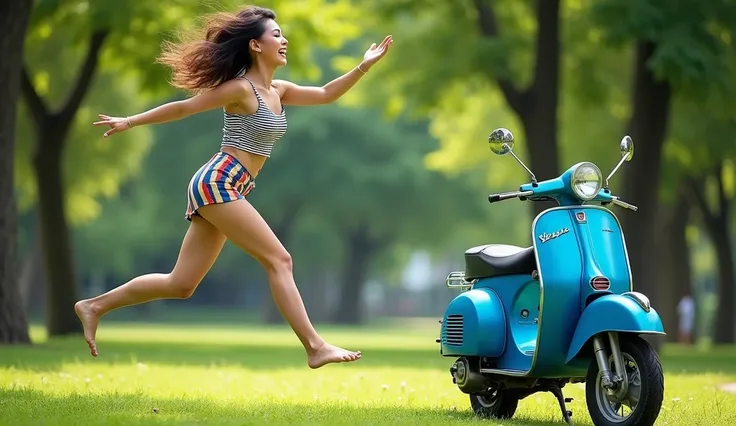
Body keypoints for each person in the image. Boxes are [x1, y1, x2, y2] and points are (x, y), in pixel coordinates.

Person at [73, 5, 393, 369]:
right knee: (280, 259)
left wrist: (364, 65)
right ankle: (315, 346)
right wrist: (129, 121)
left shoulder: (278, 90)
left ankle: (94, 305)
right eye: (276, 35)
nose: (284, 40)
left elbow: (324, 93)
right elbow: (184, 108)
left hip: (231, 186)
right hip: (218, 182)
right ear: (255, 46)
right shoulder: (241, 89)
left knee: (181, 284)